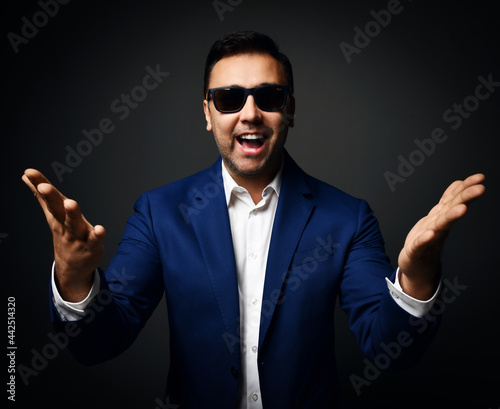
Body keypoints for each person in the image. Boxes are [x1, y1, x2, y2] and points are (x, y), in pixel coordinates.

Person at [22, 31, 485, 408]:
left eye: (268, 96)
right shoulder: (160, 212)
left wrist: (417, 276)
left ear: (290, 110)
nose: (249, 113)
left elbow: (392, 347)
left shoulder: (347, 217)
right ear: (207, 113)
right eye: (228, 98)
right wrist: (75, 277)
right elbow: (101, 341)